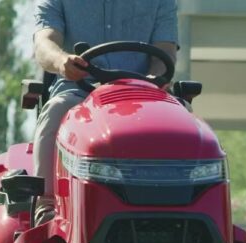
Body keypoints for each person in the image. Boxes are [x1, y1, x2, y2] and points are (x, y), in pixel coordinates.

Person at [33, 0, 179, 224]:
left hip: (141, 93)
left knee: (183, 120)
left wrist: (154, 77)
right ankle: (47, 205)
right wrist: (62, 61)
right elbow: (45, 43)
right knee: (56, 111)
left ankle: (182, 206)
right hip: (79, 89)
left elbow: (165, 51)